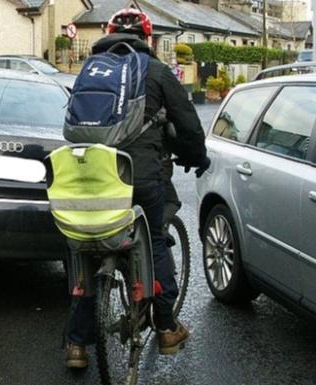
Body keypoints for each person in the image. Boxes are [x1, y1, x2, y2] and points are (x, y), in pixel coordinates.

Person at [64, 8, 211, 368]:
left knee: (88, 247)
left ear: (108, 33)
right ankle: (166, 328)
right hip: (142, 175)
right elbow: (189, 126)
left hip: (93, 175)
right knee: (155, 238)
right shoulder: (157, 71)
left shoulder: (90, 70)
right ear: (147, 39)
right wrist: (197, 157)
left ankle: (77, 347)